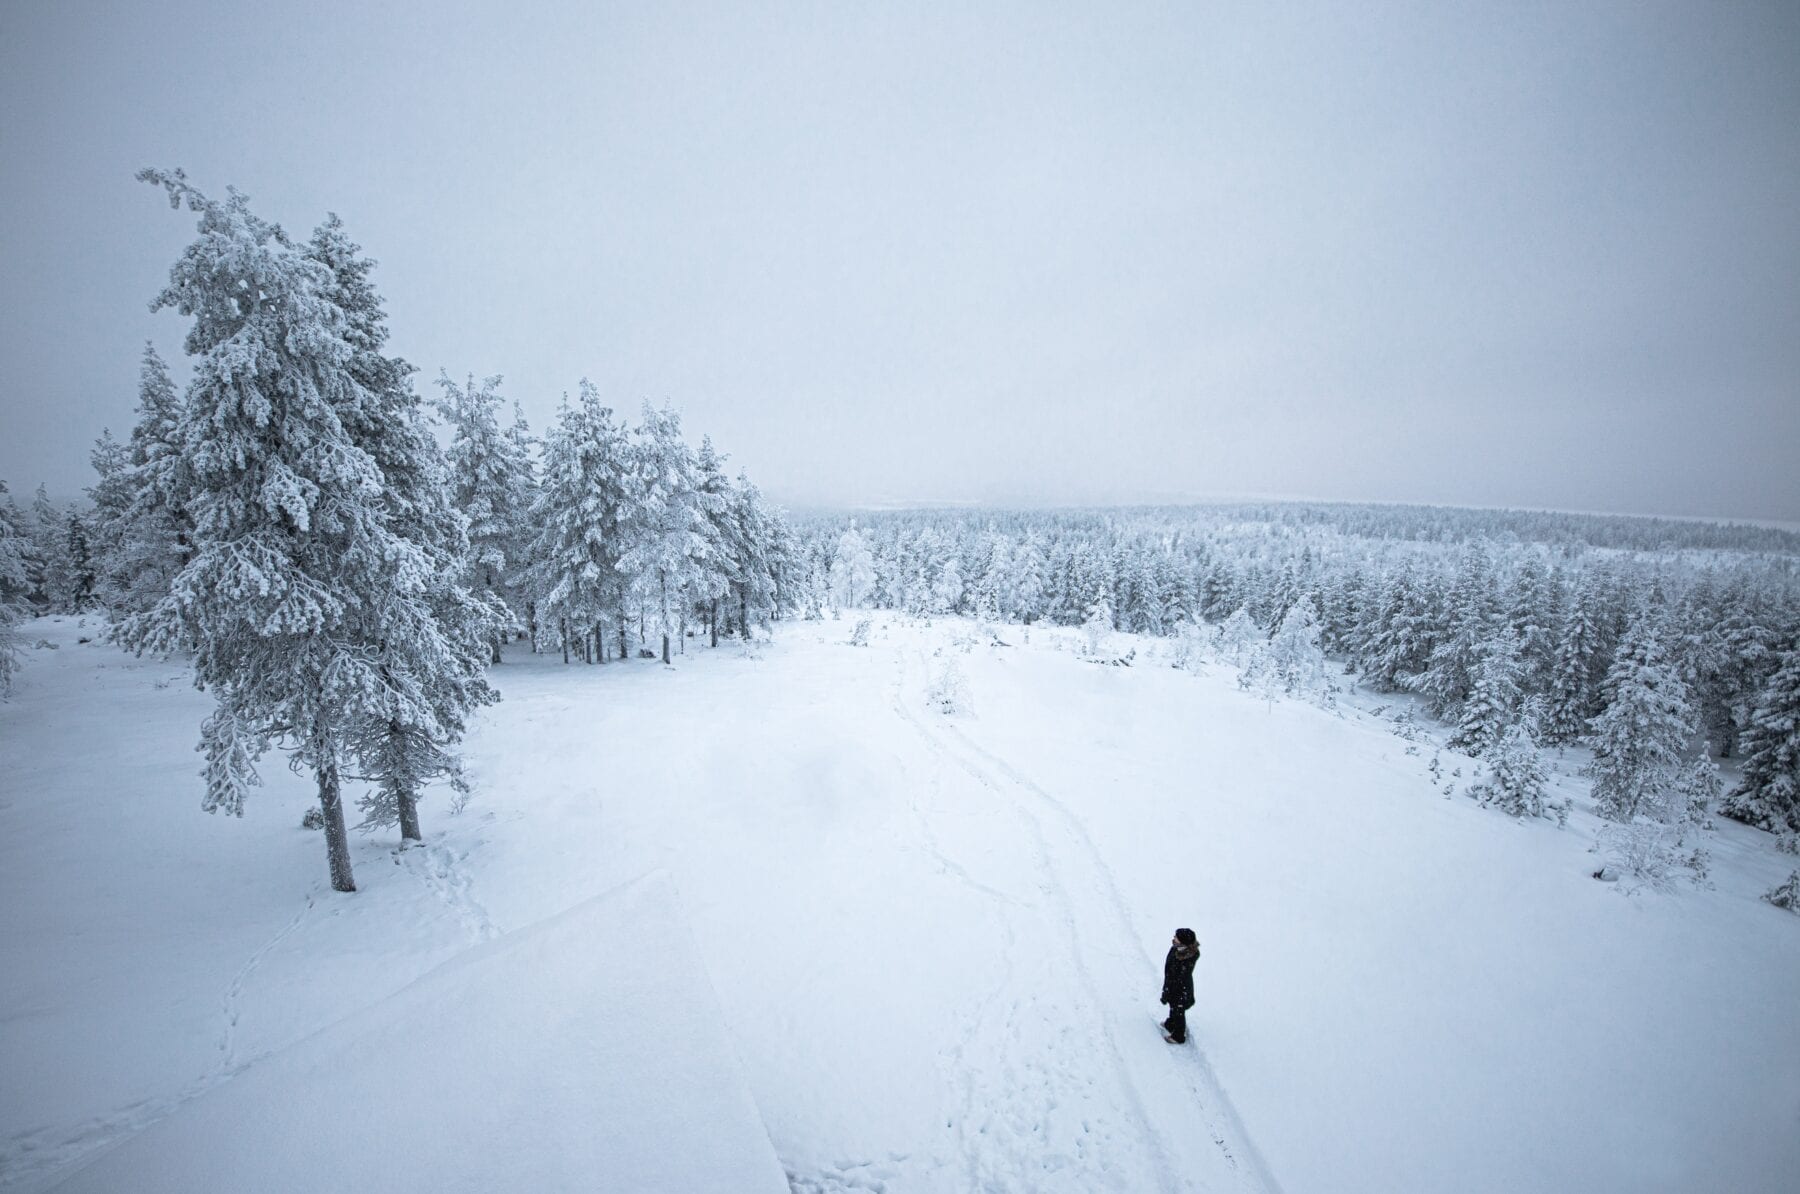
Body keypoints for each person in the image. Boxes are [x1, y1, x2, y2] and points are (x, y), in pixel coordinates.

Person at [1160, 927, 1200, 1044]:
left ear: (1184, 943)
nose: (1174, 939)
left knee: (1178, 1011)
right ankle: (1171, 1023)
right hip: (1173, 986)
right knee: (1173, 1006)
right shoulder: (1176, 949)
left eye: (1176, 938)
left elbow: (1180, 976)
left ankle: (1178, 1035)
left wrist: (1170, 988)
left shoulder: (1186, 959)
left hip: (1180, 990)